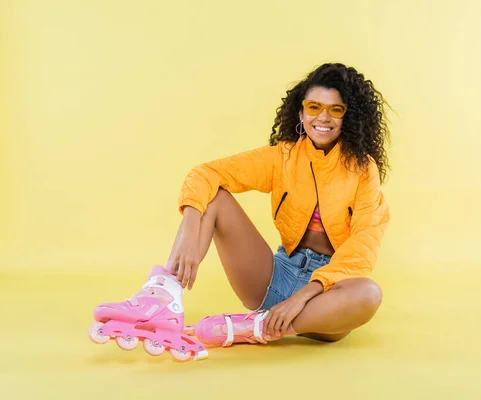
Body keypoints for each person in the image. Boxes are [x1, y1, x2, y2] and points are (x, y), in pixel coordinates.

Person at [88, 63, 392, 361]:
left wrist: (300, 299)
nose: (322, 117)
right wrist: (190, 228)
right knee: (214, 198)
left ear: (348, 118)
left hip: (326, 301)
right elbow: (205, 173)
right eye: (314, 107)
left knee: (368, 294)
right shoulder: (281, 158)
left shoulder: (363, 170)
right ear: (301, 113)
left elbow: (361, 248)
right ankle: (164, 296)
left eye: (335, 110)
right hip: (278, 277)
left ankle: (254, 327)